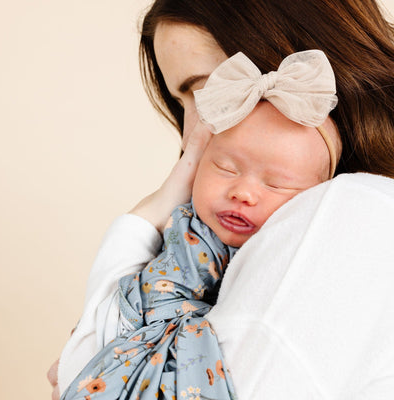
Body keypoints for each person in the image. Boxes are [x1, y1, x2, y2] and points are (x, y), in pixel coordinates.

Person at [49, 1, 394, 399]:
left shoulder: (350, 213)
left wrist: (140, 222)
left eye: (209, 89)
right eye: (184, 104)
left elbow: (89, 370)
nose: (188, 138)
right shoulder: (217, 243)